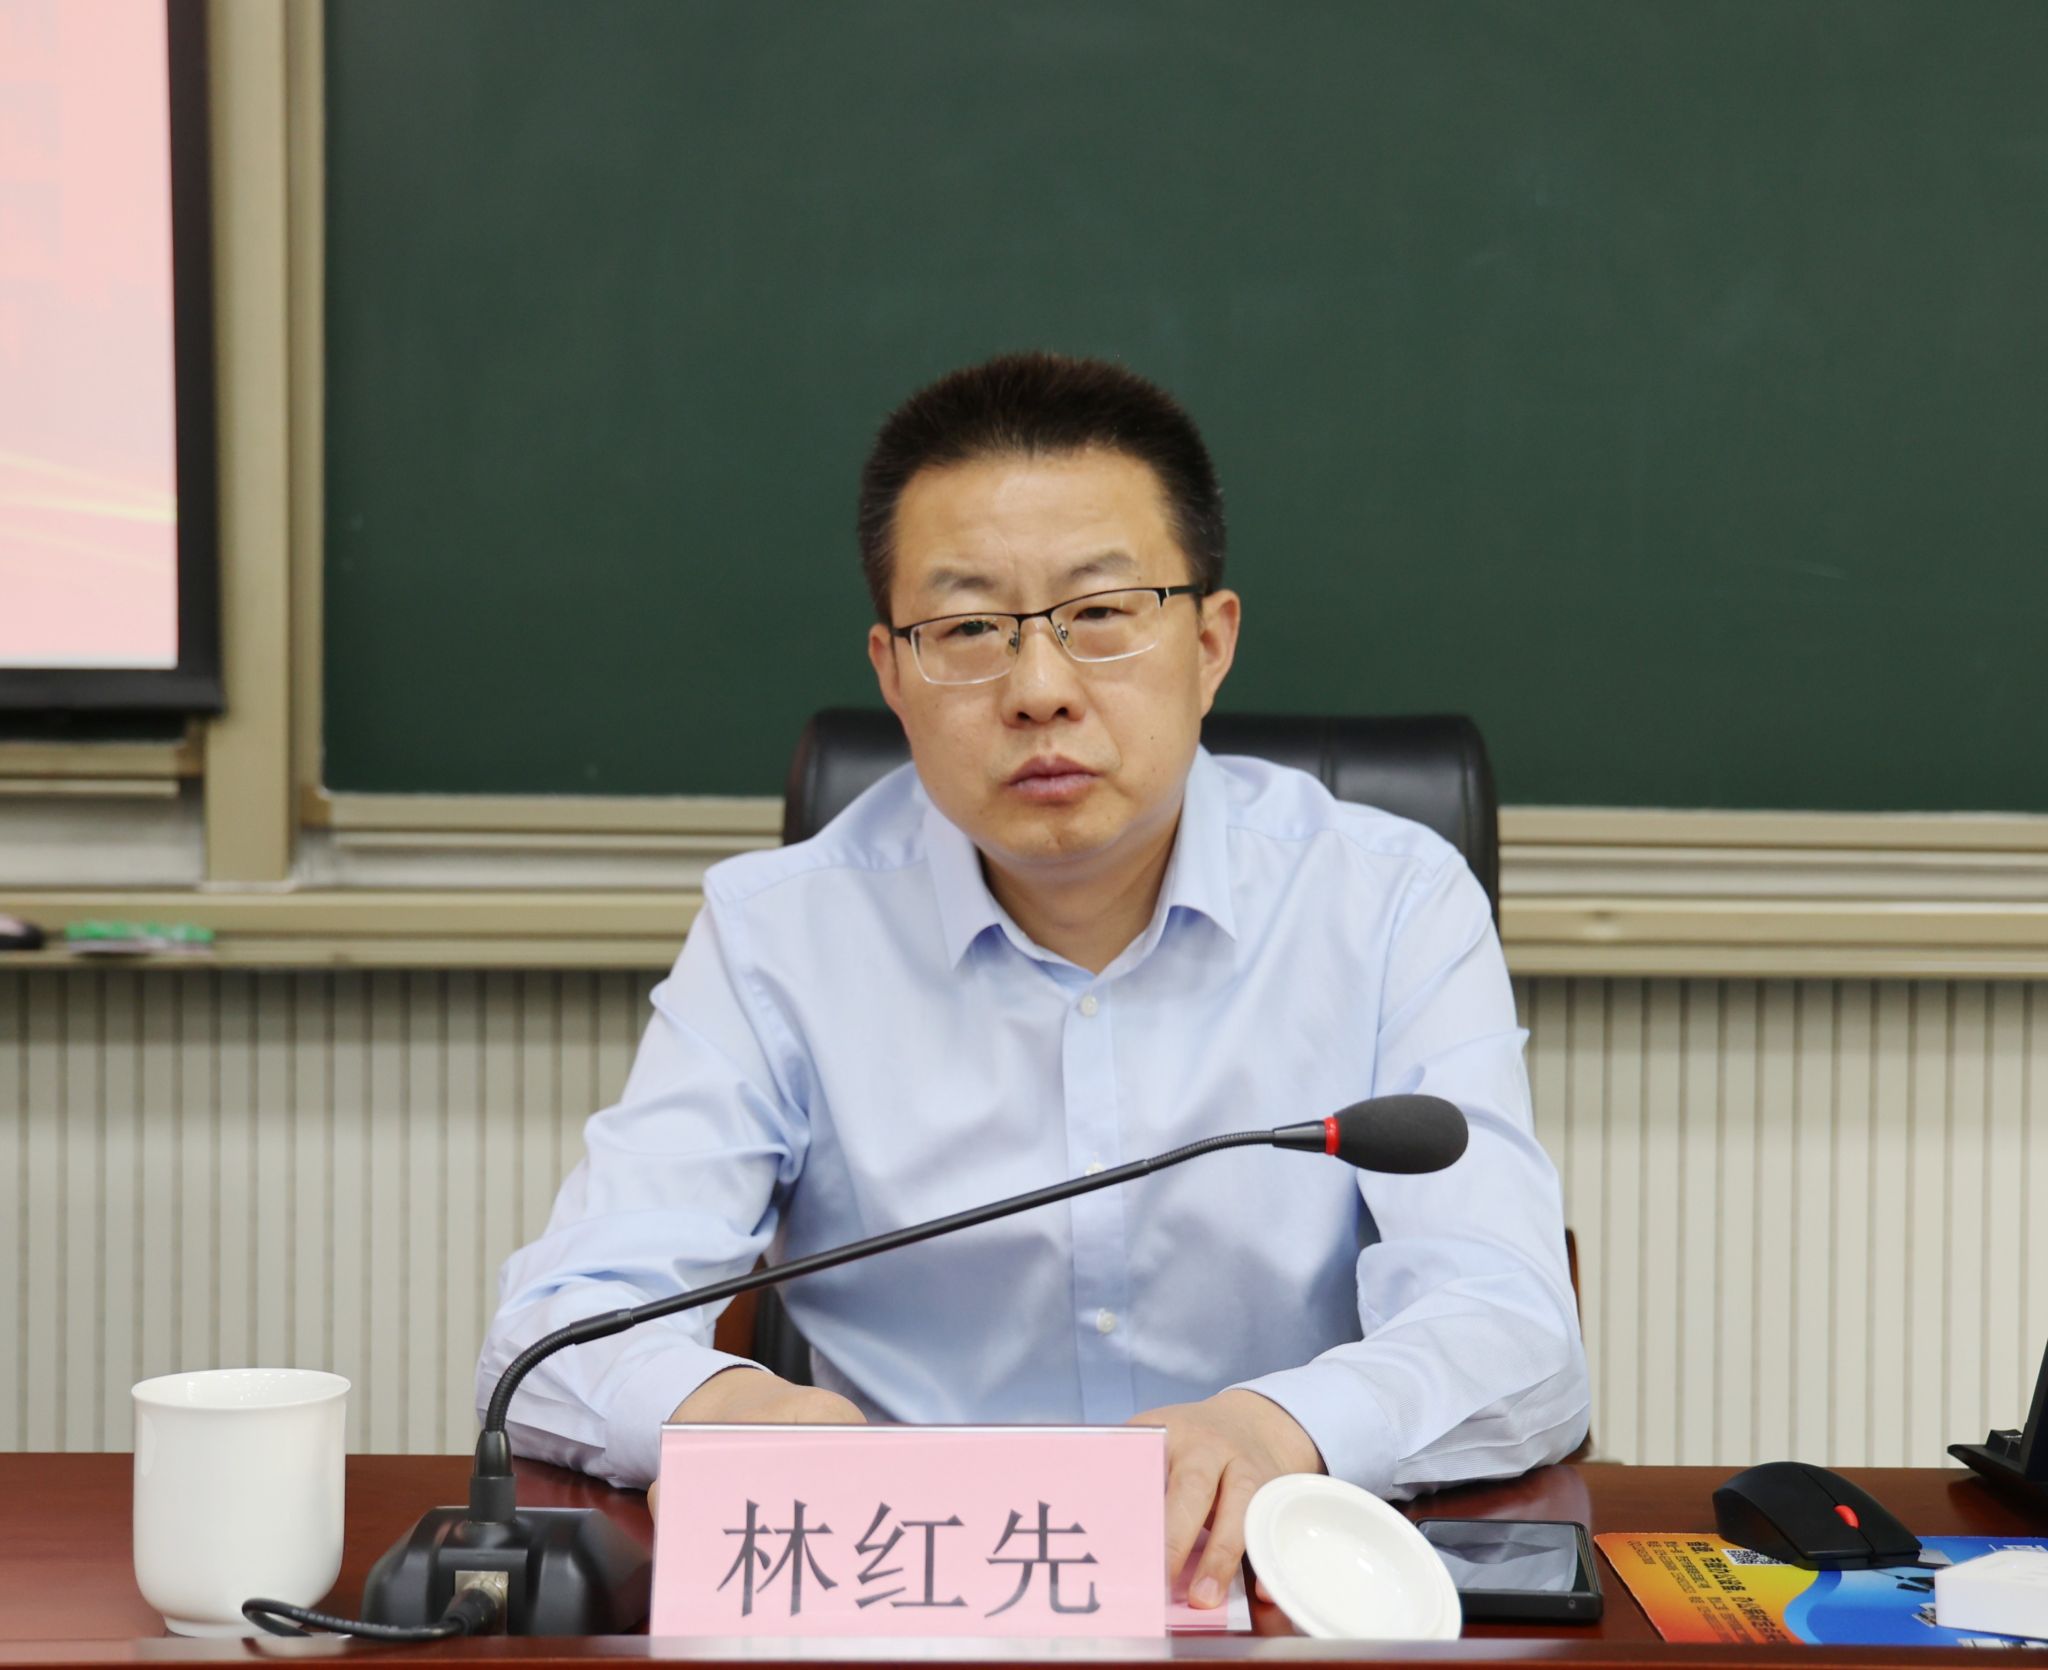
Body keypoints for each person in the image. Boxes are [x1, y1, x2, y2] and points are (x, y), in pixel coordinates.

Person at [478, 351, 1589, 1609]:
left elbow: (1513, 1330)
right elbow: (557, 1325)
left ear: (1209, 643)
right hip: (901, 1593)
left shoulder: (1387, 903)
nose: (1040, 690)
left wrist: (1280, 1427)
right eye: (966, 629)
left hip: (1276, 1590)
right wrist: (726, 1407)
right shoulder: (778, 932)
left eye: (1100, 613)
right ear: (892, 672)